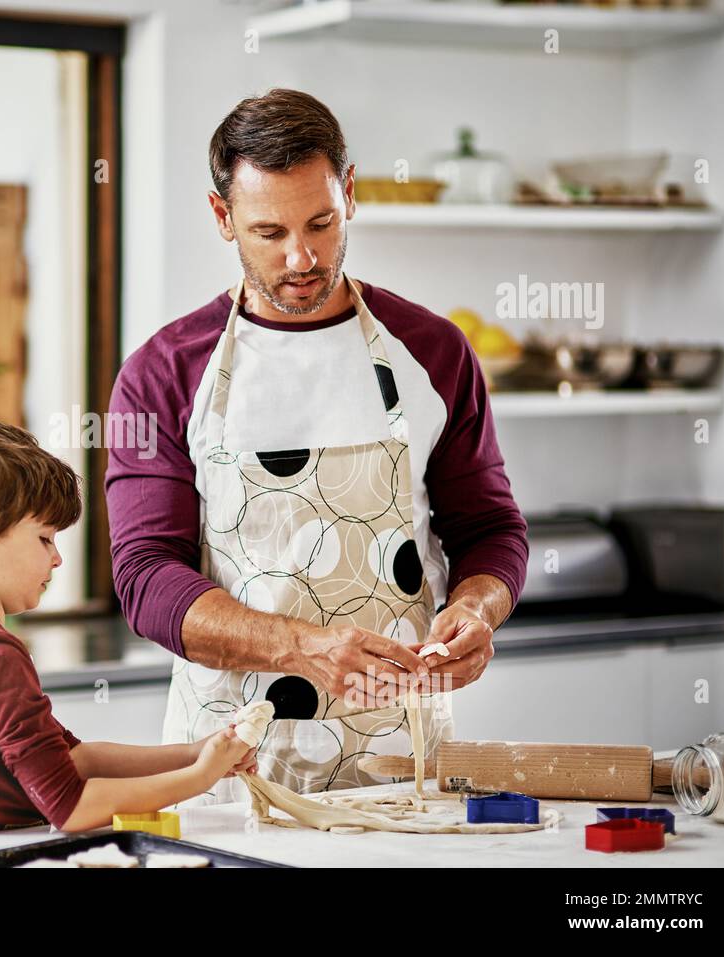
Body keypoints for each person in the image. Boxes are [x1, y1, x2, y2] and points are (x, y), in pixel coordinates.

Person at [105, 89, 530, 806]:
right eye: (268, 231)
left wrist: (479, 608)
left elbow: (491, 530)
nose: (301, 256)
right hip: (229, 773)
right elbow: (145, 579)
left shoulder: (432, 352)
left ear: (351, 194)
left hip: (404, 766)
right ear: (222, 218)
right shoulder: (162, 372)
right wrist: (303, 647)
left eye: (321, 223)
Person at [0, 420, 257, 844]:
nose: (57, 558)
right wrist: (199, 777)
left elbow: (77, 759)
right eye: (44, 538)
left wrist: (195, 753)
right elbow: (73, 807)